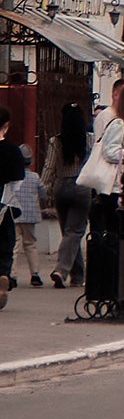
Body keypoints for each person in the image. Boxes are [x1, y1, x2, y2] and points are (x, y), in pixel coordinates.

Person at [46, 102, 88, 290]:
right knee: (74, 231)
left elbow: (49, 166)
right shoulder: (89, 139)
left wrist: (44, 186)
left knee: (68, 231)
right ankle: (61, 270)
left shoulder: (56, 141)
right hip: (81, 186)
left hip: (61, 186)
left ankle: (77, 275)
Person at [1, 111, 39, 289]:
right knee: (6, 244)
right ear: (6, 125)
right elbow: (18, 180)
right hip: (5, 203)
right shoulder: (12, 151)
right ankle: (3, 274)